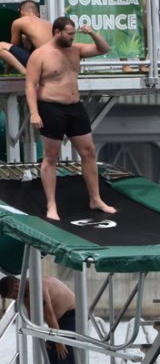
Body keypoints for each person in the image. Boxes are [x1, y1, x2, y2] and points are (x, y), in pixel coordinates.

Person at [25, 18, 116, 221]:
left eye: (74, 34)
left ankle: (95, 199)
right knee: (51, 156)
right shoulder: (40, 55)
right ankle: (51, 205)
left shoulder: (76, 50)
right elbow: (30, 85)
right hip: (50, 108)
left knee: (89, 151)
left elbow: (104, 49)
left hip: (75, 107)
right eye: (69, 34)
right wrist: (34, 113)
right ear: (57, 32)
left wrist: (92, 33)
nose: (72, 37)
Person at [0, 275, 78, 364]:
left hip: (71, 314)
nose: (14, 299)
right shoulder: (24, 294)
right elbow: (33, 317)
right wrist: (41, 335)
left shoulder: (37, 288)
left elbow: (49, 315)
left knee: (64, 354)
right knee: (50, 355)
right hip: (56, 321)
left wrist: (59, 341)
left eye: (12, 296)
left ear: (16, 286)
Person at [0, 0, 52, 75]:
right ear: (38, 14)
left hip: (42, 62)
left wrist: (6, 72)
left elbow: (13, 48)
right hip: (54, 62)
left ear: (21, 12)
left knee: (1, 46)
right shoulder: (49, 24)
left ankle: (26, 73)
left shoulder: (19, 22)